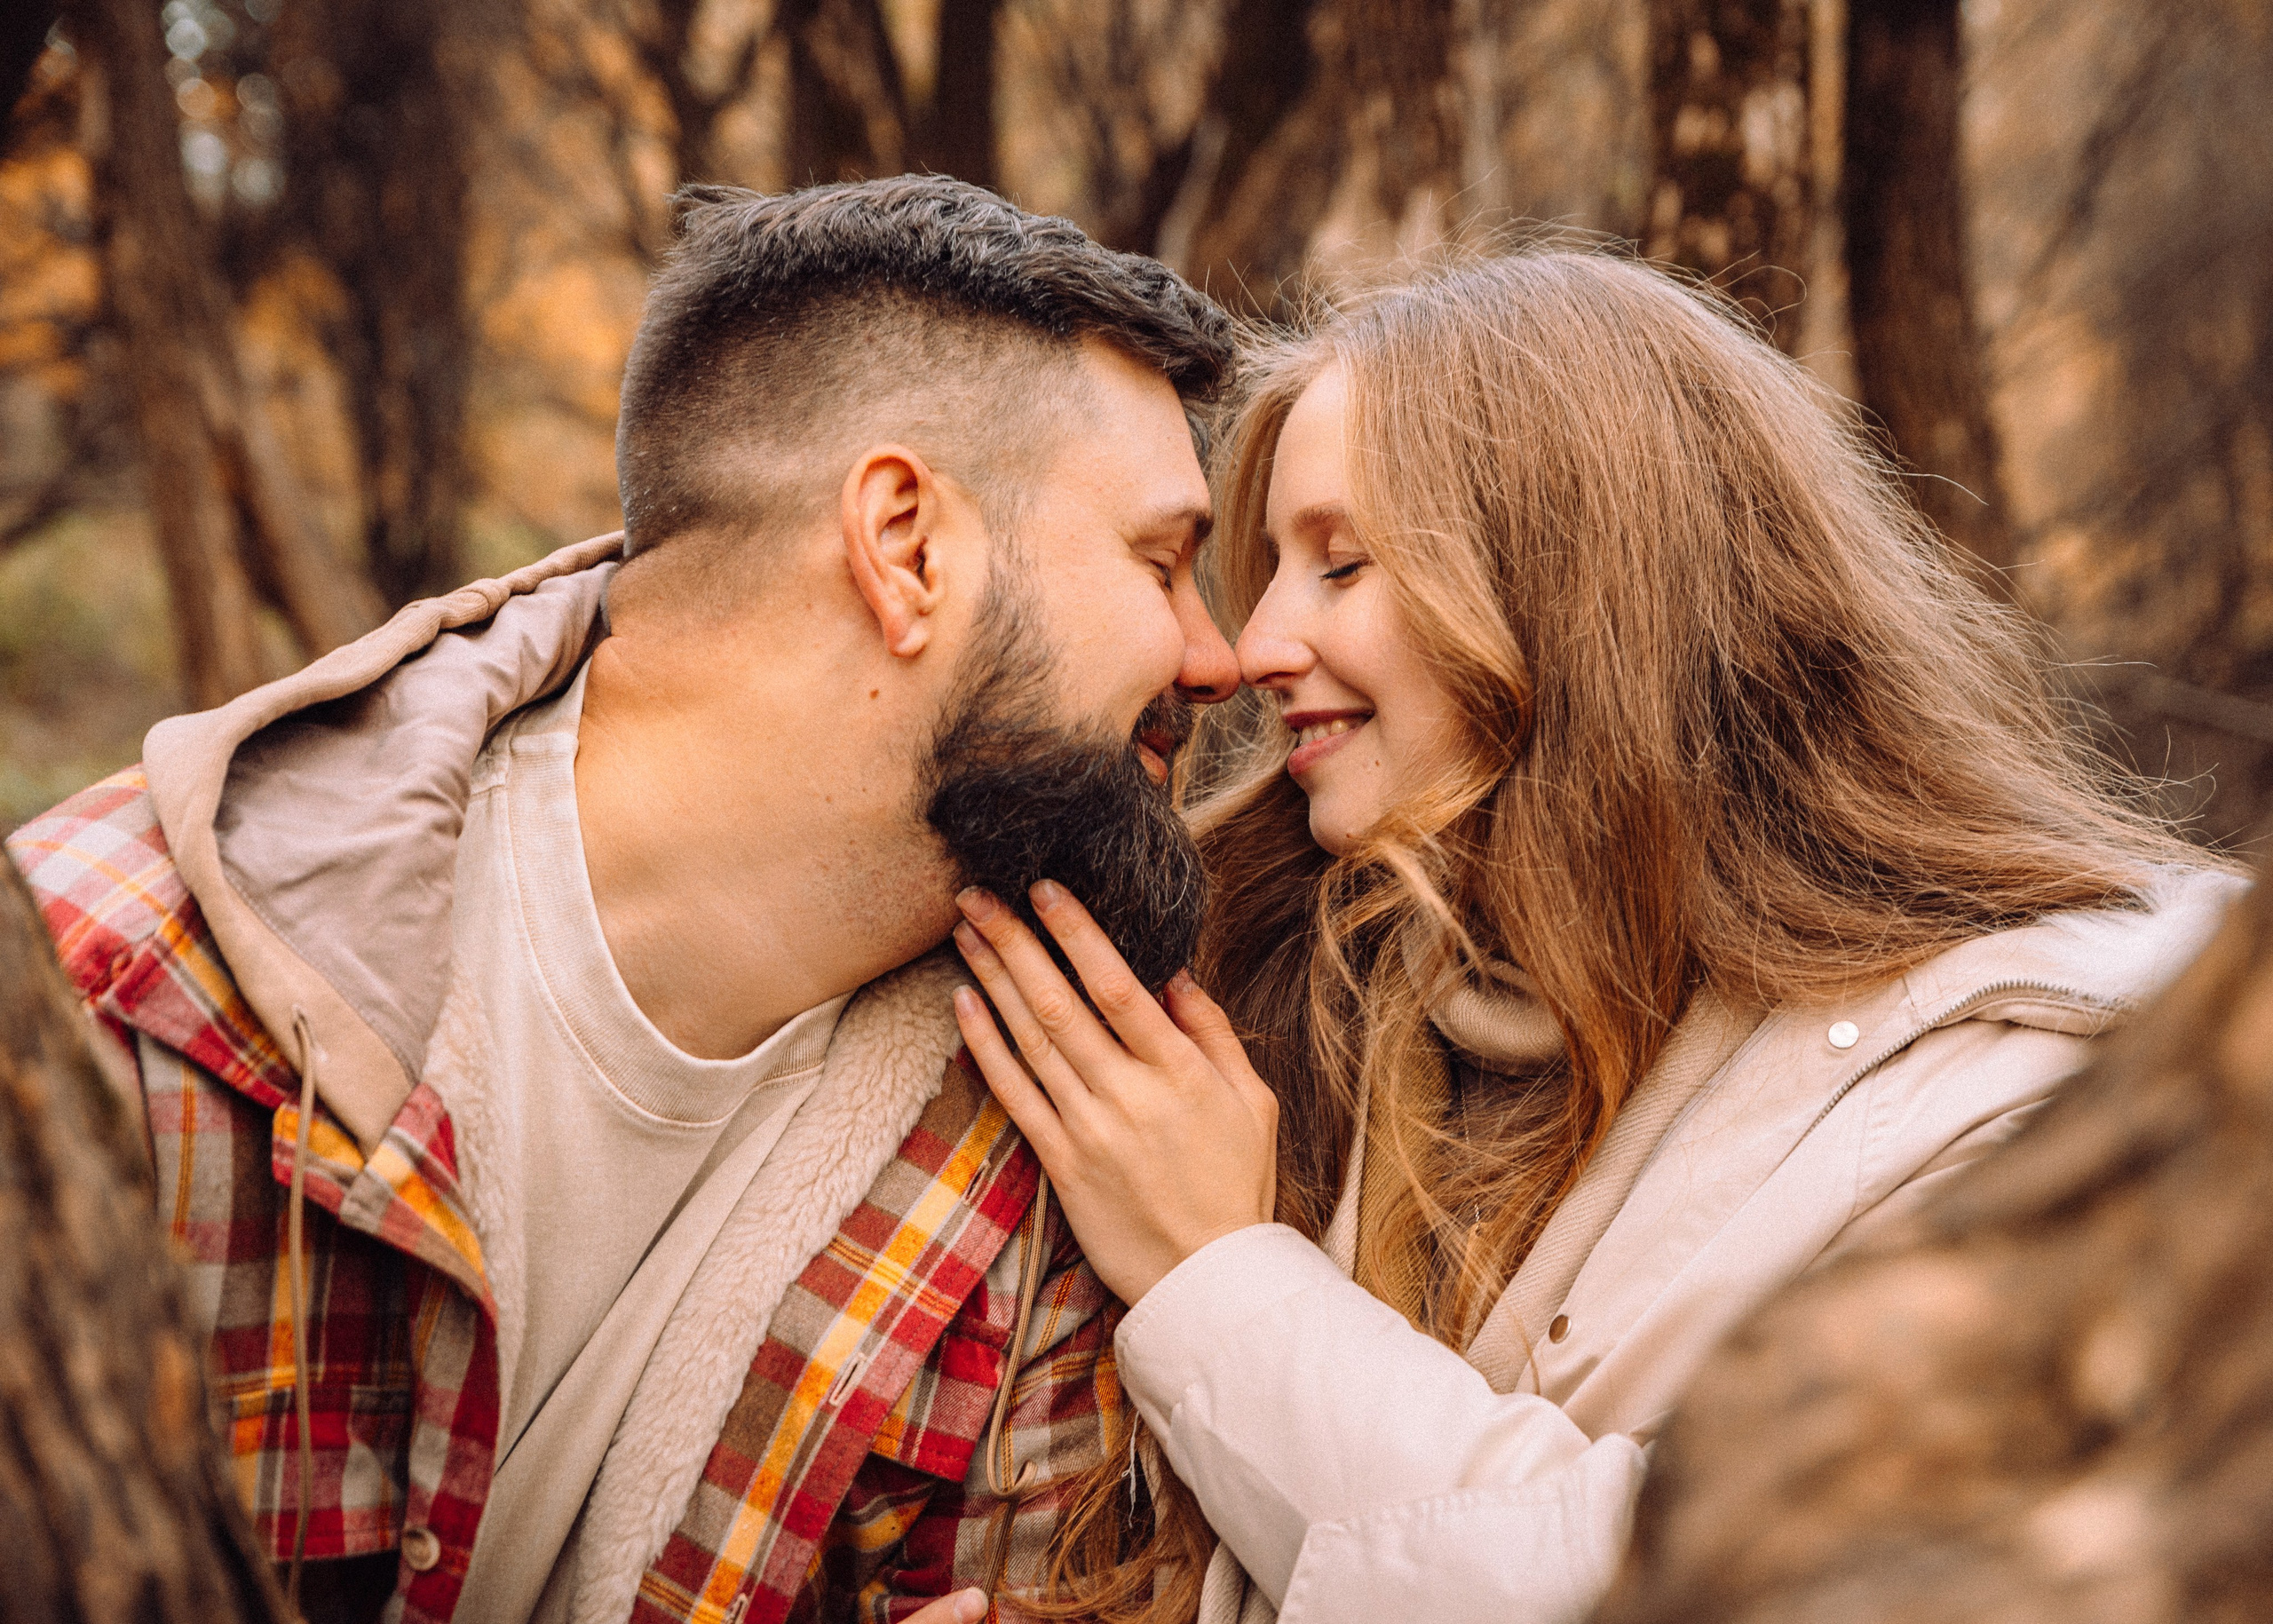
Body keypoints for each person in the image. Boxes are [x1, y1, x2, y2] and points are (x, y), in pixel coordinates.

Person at [944, 250, 2247, 1624]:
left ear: (1570, 594)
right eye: (1268, 566)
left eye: (1340, 563)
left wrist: (1221, 1284)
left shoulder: (2035, 1079)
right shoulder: (1328, 992)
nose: (1258, 641)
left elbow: (1696, 1579)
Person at [5, 177, 1242, 1624]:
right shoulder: (112, 1014)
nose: (1216, 657)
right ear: (907, 547)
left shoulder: (1064, 1129)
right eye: (1163, 561)